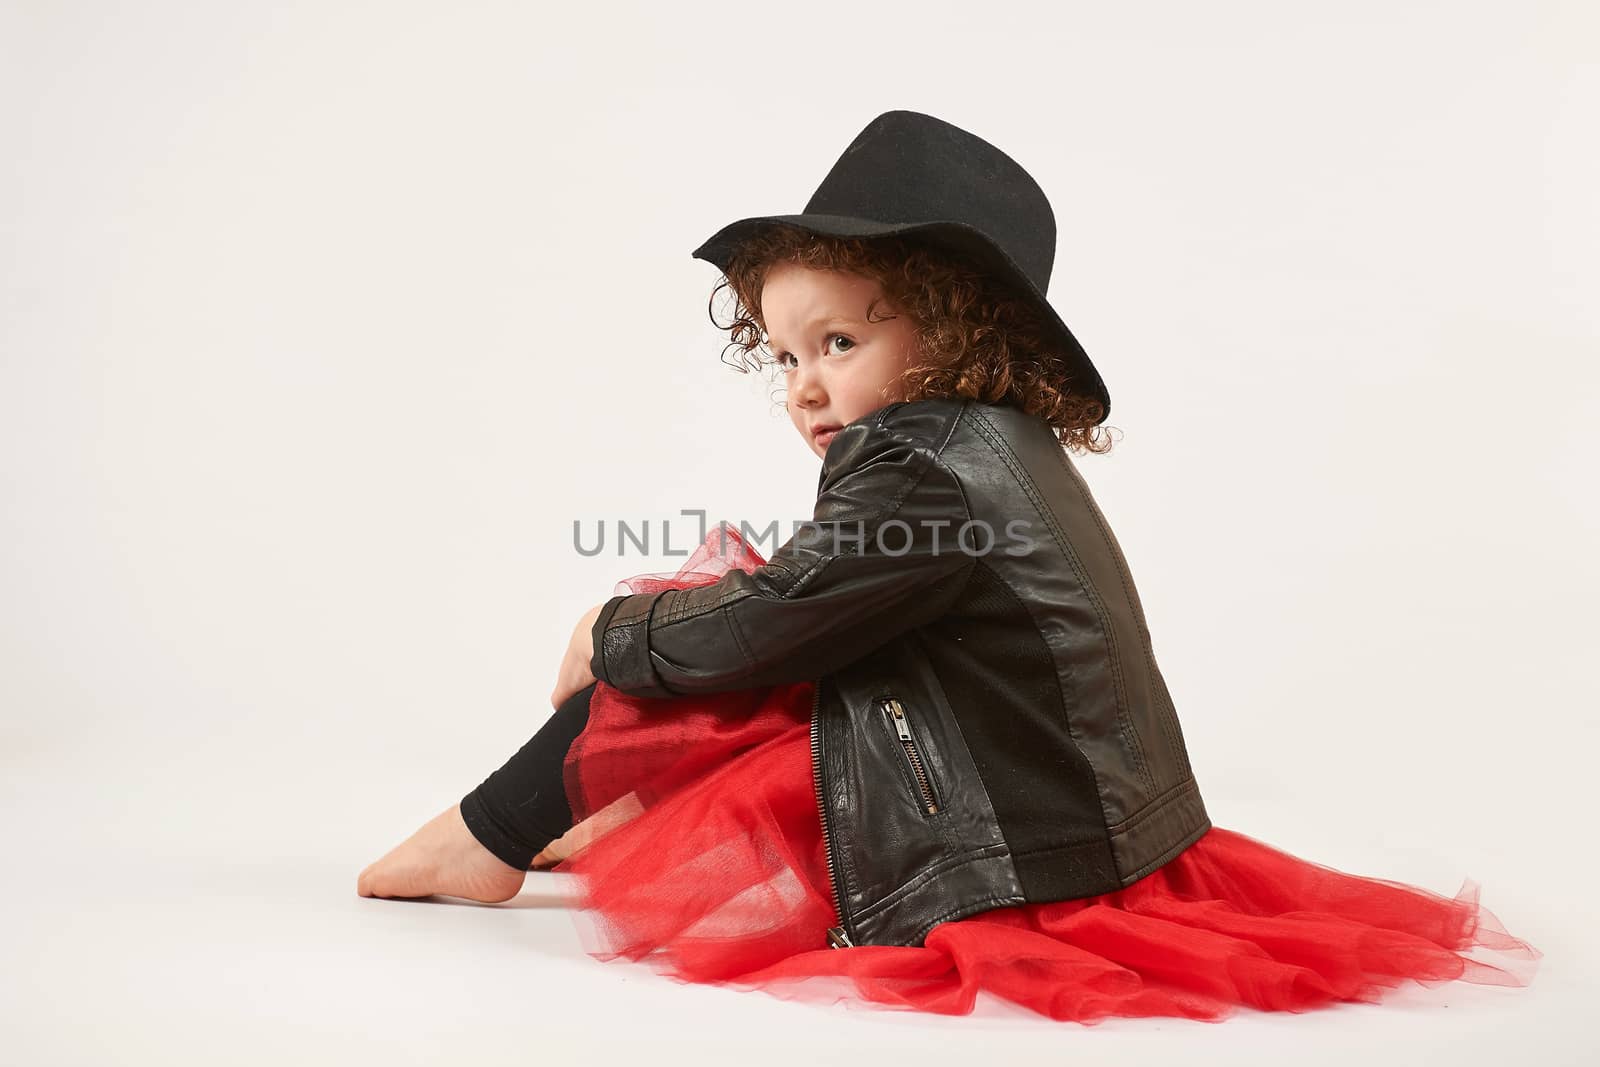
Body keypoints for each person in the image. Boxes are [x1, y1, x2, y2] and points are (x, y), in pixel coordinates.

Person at [357, 110, 1540, 1022]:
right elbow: (819, 604)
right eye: (784, 354)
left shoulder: (921, 467)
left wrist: (606, 632)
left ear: (958, 333)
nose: (805, 385)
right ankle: (579, 810)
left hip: (1009, 849)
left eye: (840, 342)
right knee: (724, 621)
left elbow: (767, 626)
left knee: (685, 631)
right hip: (1053, 800)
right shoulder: (981, 443)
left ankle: (482, 838)